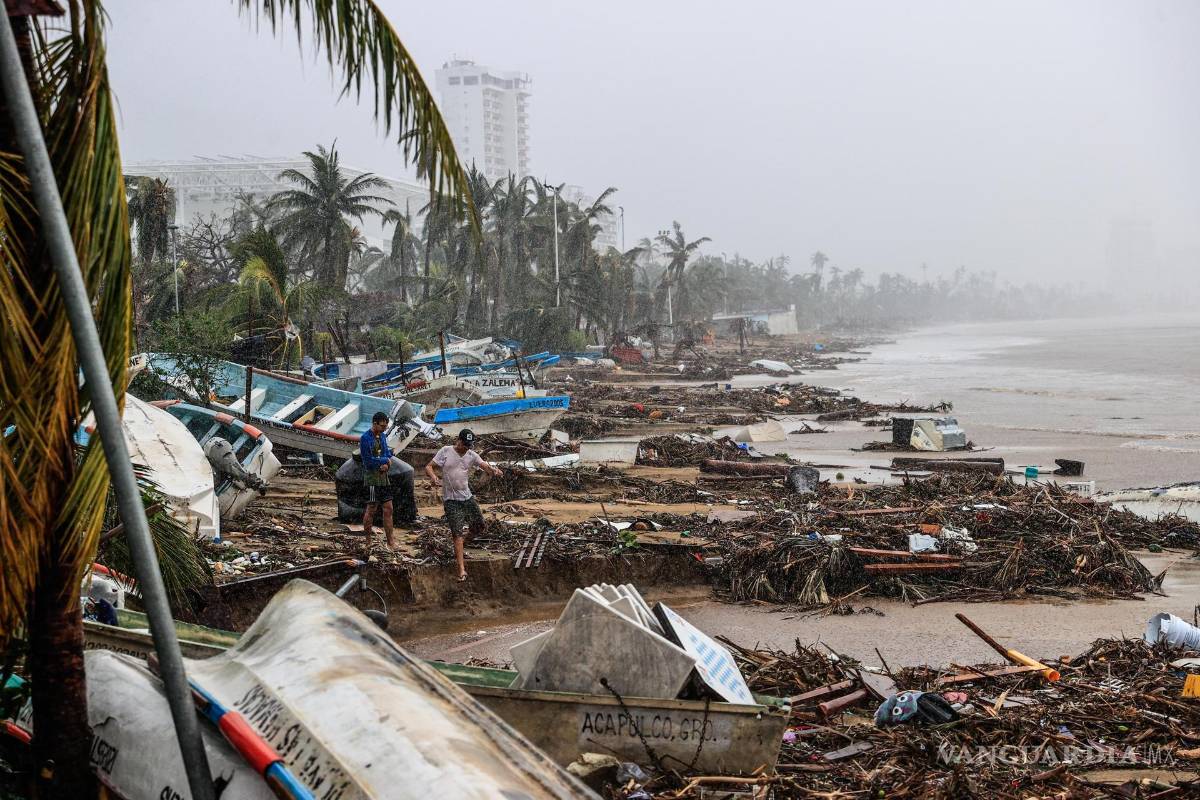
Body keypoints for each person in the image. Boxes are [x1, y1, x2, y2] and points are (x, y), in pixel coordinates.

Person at [425, 429, 502, 581]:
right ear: (458, 440)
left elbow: (484, 465)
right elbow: (429, 466)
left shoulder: (471, 455)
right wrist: (434, 477)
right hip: (451, 500)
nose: (466, 447)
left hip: (467, 497)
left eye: (469, 445)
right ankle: (461, 569)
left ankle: (462, 546)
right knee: (457, 533)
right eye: (464, 444)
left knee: (479, 526)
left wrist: (494, 470)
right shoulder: (445, 451)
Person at [360, 411, 397, 553]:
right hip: (372, 478)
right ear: (374, 423)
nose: (383, 429)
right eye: (382, 426)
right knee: (372, 509)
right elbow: (367, 461)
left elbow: (387, 452)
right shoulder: (365, 438)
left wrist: (387, 463)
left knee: (389, 508)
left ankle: (390, 542)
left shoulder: (382, 436)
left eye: (385, 427)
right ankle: (368, 541)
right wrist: (383, 461)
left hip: (383, 477)